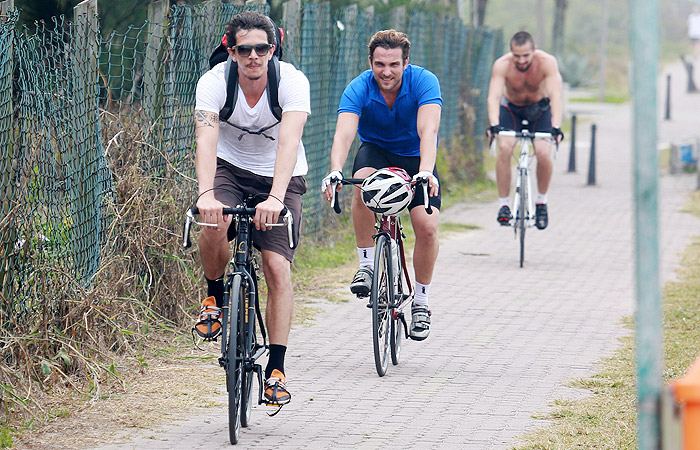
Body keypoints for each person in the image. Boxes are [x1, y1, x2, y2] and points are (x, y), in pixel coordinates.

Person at [192, 11, 310, 406]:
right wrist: (206, 194)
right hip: (229, 168)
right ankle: (213, 297)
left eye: (262, 49)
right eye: (245, 50)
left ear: (273, 49)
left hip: (281, 175)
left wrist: (275, 199)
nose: (254, 57)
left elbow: (288, 142)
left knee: (277, 267)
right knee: (212, 221)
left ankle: (276, 369)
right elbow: (206, 140)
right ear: (231, 50)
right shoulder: (213, 82)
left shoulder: (291, 81)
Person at [322, 29, 442, 341]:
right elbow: (345, 134)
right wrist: (336, 170)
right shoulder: (359, 87)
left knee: (426, 226)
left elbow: (428, 130)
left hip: (417, 155)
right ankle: (366, 265)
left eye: (393, 65)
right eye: (379, 64)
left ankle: (422, 302)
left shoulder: (424, 82)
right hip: (376, 150)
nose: (386, 72)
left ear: (406, 63)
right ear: (370, 62)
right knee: (361, 187)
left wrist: (427, 172)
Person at [486, 31, 564, 230]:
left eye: (525, 55)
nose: (521, 60)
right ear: (511, 52)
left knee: (543, 153)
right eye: (516, 55)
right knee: (504, 147)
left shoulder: (547, 62)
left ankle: (541, 202)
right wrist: (494, 125)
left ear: (534, 50)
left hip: (540, 109)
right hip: (511, 109)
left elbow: (556, 96)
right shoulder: (502, 65)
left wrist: (556, 127)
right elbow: (494, 97)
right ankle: (504, 205)